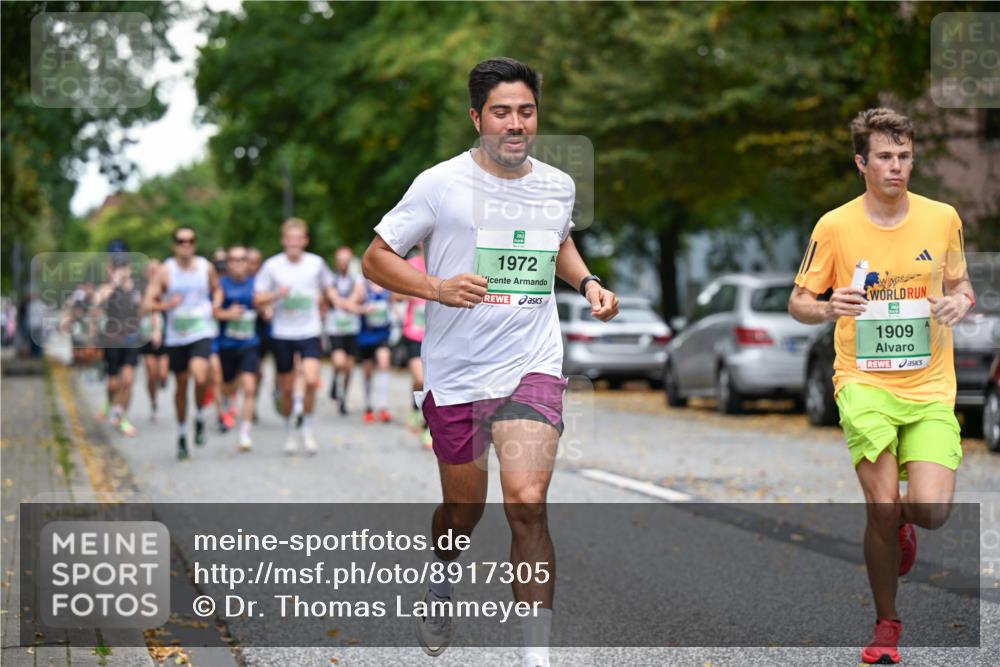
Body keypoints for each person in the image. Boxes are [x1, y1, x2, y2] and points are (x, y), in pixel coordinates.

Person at [362, 57, 619, 667]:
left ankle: (536, 658)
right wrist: (437, 288)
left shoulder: (558, 185)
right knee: (463, 511)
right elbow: (376, 259)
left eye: (525, 112)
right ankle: (442, 578)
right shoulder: (439, 184)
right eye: (501, 112)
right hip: (455, 374)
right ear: (477, 117)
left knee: (526, 501)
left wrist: (588, 284)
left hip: (531, 362)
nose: (515, 124)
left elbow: (557, 242)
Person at [788, 108, 975, 666]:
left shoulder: (943, 218)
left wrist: (956, 302)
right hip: (862, 383)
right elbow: (798, 303)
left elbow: (962, 286)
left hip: (930, 386)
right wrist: (827, 307)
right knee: (879, 506)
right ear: (861, 163)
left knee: (932, 510)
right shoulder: (835, 226)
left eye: (905, 157)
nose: (897, 167)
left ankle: (903, 528)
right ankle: (887, 624)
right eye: (885, 157)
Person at [253, 218, 343, 455]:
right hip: (283, 332)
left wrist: (336, 300)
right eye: (289, 239)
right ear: (283, 240)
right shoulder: (272, 266)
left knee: (311, 378)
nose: (293, 243)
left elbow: (329, 288)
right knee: (287, 387)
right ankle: (289, 430)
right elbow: (257, 298)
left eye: (298, 239)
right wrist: (275, 295)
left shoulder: (316, 263)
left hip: (309, 330)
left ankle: (307, 428)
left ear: (305, 241)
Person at [145, 226, 221, 459]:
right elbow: (148, 303)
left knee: (200, 377)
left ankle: (198, 416)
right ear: (174, 245)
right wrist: (167, 306)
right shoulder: (166, 271)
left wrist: (215, 305)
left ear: (195, 244)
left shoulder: (205, 267)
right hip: (176, 336)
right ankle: (181, 433)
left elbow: (217, 290)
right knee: (181, 386)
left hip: (201, 331)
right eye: (180, 241)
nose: (185, 245)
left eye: (190, 241)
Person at [92, 246, 143, 436]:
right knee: (113, 384)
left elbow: (144, 309)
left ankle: (121, 417)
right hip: (112, 341)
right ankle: (110, 403)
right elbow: (96, 301)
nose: (121, 269)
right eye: (116, 266)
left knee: (128, 380)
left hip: (131, 339)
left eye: (123, 266)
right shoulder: (107, 287)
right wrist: (114, 283)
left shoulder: (136, 287)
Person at [213, 245, 260, 451]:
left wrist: (267, 308)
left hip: (250, 343)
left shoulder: (257, 283)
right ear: (228, 263)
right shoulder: (220, 284)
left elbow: (264, 302)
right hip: (227, 344)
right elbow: (213, 312)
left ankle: (245, 433)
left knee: (249, 387)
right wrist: (227, 314)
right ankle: (226, 401)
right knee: (228, 385)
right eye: (234, 260)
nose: (239, 264)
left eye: (243, 259)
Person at [324, 246, 366, 415]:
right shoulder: (330, 279)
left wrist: (349, 304)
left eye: (346, 260)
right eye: (340, 260)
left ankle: (343, 397)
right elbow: (333, 299)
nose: (343, 263)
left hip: (351, 328)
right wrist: (351, 305)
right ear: (336, 261)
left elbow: (359, 297)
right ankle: (335, 379)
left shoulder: (357, 279)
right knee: (338, 361)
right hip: (335, 328)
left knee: (349, 367)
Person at [398, 245, 432, 447]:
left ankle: (428, 427)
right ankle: (414, 407)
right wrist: (409, 291)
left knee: (431, 382)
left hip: (437, 334)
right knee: (419, 379)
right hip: (414, 332)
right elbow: (394, 294)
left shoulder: (446, 263)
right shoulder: (411, 265)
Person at [356, 279, 393, 423]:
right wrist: (363, 307)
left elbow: (398, 299)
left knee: (384, 363)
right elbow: (352, 302)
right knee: (368, 371)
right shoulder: (361, 286)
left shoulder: (388, 285)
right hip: (366, 335)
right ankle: (368, 405)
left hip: (382, 333)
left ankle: (383, 406)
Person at [139, 259, 168, 422]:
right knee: (151, 372)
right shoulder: (142, 290)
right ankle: (153, 403)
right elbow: (142, 309)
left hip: (164, 335)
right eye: (151, 270)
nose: (154, 273)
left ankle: (162, 381)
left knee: (162, 374)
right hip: (146, 335)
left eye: (156, 270)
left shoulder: (166, 289)